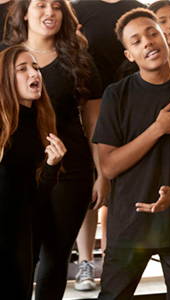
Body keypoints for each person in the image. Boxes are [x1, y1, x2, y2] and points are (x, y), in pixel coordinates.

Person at [93, 8, 170, 299]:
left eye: (152, 33)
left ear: (164, 38)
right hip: (129, 224)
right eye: (136, 41)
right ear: (129, 55)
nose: (147, 42)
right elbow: (108, 166)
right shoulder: (116, 94)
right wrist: (158, 128)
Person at [3, 1, 103, 298]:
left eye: (57, 6)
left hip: (69, 172)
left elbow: (94, 124)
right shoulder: (5, 56)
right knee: (18, 255)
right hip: (16, 172)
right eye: (41, 5)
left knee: (54, 256)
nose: (50, 12)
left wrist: (103, 175)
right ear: (24, 12)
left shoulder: (78, 58)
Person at [72, 0, 146, 291]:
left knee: (126, 187)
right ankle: (86, 262)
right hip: (90, 106)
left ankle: (117, 256)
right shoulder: (78, 8)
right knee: (94, 186)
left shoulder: (138, 8)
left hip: (133, 107)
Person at [0, 45, 66, 300]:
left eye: (36, 67)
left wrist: (52, 167)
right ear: (6, 77)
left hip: (21, 233)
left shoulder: (40, 122)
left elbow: (34, 198)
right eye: (23, 68)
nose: (34, 74)